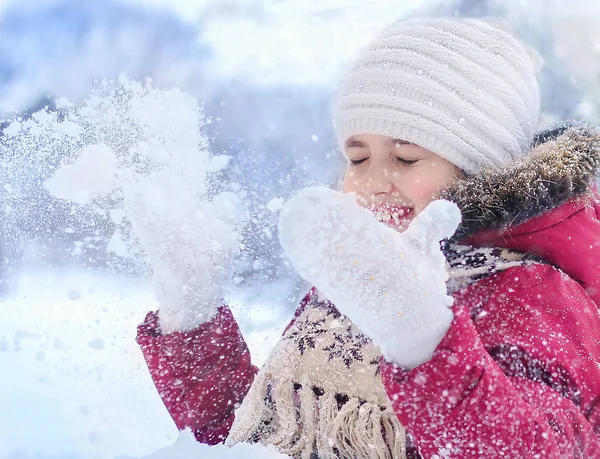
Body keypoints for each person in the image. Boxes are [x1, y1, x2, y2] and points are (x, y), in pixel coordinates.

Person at [136, 17, 600, 458]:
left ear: (479, 166)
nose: (373, 180)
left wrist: (425, 342)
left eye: (406, 158)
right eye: (358, 159)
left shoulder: (532, 293)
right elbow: (259, 435)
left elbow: (540, 449)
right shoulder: (364, 273)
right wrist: (192, 317)